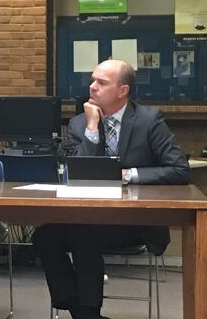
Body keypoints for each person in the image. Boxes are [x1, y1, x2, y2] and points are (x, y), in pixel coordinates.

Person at [33, 59, 189, 319]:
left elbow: (179, 169)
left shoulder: (149, 120)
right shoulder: (79, 124)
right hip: (88, 216)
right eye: (93, 80)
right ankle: (82, 312)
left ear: (122, 90)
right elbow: (77, 173)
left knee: (82, 233)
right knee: (44, 237)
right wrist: (92, 128)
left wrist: (129, 175)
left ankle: (88, 312)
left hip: (134, 221)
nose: (92, 87)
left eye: (102, 83)